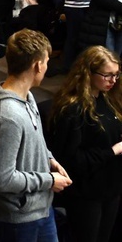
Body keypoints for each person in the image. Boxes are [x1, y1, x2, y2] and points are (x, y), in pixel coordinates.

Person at [0, 29, 72, 242]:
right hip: (18, 219)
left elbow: (33, 141)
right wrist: (48, 180)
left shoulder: (27, 97)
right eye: (46, 61)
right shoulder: (8, 117)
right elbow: (1, 179)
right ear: (37, 65)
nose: (47, 67)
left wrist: (49, 159)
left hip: (39, 208)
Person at [48, 46, 122, 242]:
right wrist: (112, 151)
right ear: (88, 73)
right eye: (107, 75)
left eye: (116, 75)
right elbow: (71, 160)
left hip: (111, 188)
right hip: (86, 193)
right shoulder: (73, 109)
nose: (113, 81)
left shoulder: (108, 99)